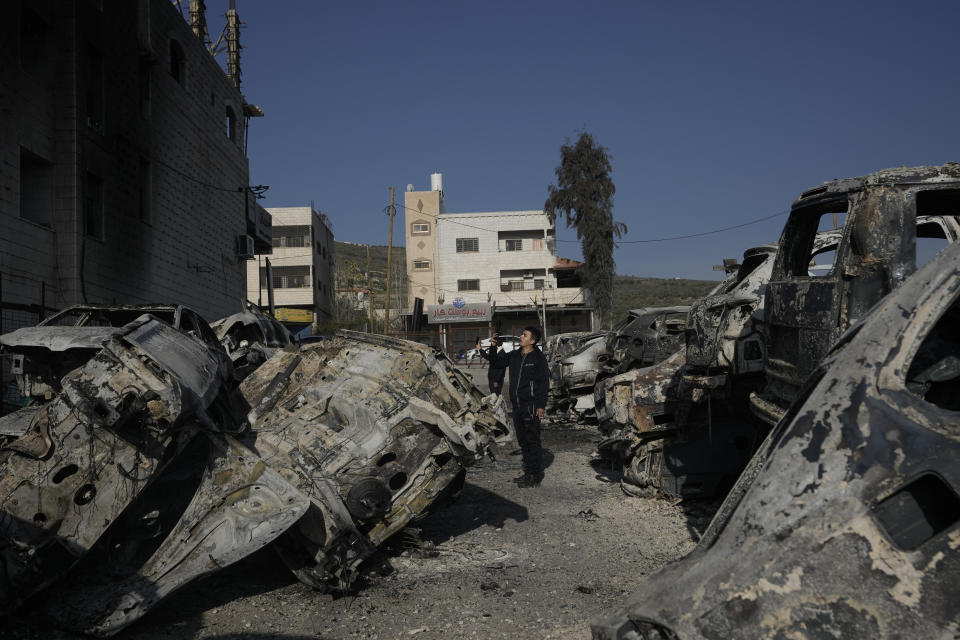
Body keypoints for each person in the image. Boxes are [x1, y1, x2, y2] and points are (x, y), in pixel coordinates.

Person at [479, 326, 549, 488]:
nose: (521, 337)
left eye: (524, 335)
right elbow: (496, 363)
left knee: (532, 441)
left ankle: (535, 476)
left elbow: (544, 383)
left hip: (531, 405)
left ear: (532, 341)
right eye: (522, 334)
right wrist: (493, 346)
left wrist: (541, 406)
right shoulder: (516, 355)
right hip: (517, 406)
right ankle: (528, 473)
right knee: (523, 441)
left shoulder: (538, 358)